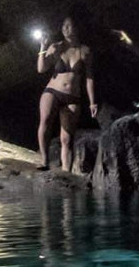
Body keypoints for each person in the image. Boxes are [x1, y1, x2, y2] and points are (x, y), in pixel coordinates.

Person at [36, 16, 97, 171]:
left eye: (69, 26)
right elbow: (41, 69)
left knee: (67, 137)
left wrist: (92, 102)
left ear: (77, 28)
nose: (65, 29)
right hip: (53, 91)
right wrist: (43, 47)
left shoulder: (85, 51)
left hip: (73, 97)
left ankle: (66, 171)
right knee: (46, 121)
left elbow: (89, 78)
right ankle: (44, 161)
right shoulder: (56, 47)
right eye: (64, 26)